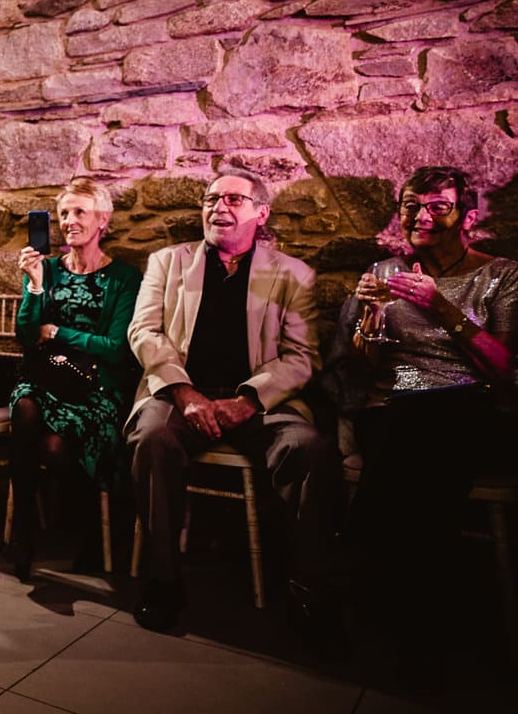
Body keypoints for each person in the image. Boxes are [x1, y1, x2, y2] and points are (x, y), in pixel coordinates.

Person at [126, 168, 342, 639]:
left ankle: (308, 591)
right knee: (152, 439)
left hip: (258, 399)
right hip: (181, 391)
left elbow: (302, 357)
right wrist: (184, 394)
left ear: (261, 213)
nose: (218, 207)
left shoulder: (293, 274)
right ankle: (163, 582)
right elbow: (144, 332)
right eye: (211, 198)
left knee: (307, 448)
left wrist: (248, 400)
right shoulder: (167, 262)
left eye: (233, 200)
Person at [339, 166, 515, 672]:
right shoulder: (385, 270)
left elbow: (504, 367)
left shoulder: (500, 274)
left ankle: (382, 605)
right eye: (412, 206)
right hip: (403, 407)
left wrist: (443, 307)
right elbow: (367, 365)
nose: (421, 216)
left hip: (474, 405)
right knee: (411, 424)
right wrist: (369, 321)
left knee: (421, 430)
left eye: (438, 205)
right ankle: (421, 626)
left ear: (468, 216)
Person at [10, 178, 141, 580]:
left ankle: (84, 527)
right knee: (26, 406)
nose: (69, 220)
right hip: (47, 378)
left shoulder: (123, 278)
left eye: (79, 212)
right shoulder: (46, 268)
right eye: (64, 212)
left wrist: (60, 333)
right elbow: (25, 335)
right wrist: (34, 285)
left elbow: (117, 347)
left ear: (103, 220)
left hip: (96, 387)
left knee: (54, 444)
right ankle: (25, 526)